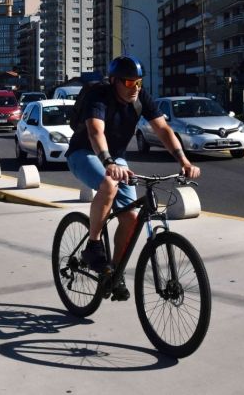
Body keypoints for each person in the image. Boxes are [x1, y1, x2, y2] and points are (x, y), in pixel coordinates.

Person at [66, 56, 201, 302]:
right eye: (129, 82)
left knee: (130, 219)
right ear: (114, 81)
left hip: (115, 159)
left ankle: (113, 273)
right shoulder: (99, 95)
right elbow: (95, 131)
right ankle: (93, 246)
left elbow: (163, 130)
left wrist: (184, 161)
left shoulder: (140, 98)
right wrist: (109, 163)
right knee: (109, 183)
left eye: (139, 82)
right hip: (83, 153)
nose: (135, 87)